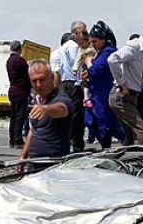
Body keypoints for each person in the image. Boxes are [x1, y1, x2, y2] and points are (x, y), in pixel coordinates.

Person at [107, 23, 143, 145]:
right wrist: (121, 83)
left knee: (130, 137)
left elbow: (137, 78)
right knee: (142, 133)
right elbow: (112, 59)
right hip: (122, 98)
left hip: (131, 97)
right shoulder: (135, 47)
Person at [19, 60, 74, 162]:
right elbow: (32, 130)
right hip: (33, 162)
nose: (38, 85)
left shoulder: (60, 98)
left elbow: (62, 109)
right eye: (34, 81)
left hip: (53, 164)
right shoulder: (36, 100)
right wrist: (22, 157)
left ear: (52, 78)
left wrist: (46, 109)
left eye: (42, 80)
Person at [83, 21, 124, 149]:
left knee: (105, 123)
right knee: (92, 121)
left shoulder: (108, 52)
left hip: (103, 95)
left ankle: (110, 146)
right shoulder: (101, 53)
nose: (92, 45)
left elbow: (96, 70)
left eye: (95, 41)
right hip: (96, 94)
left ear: (103, 39)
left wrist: (89, 62)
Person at [58, 21, 88, 152]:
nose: (86, 35)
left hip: (64, 84)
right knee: (76, 116)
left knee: (66, 115)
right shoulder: (74, 47)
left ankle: (67, 142)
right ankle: (77, 145)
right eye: (84, 32)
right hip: (73, 84)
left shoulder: (61, 49)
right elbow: (78, 65)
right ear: (75, 33)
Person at [6, 40, 31, 148]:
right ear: (19, 49)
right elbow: (28, 74)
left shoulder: (9, 61)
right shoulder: (20, 60)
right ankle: (18, 140)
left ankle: (12, 139)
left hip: (12, 90)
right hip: (21, 91)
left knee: (13, 117)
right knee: (20, 117)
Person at [73, 30, 97, 109]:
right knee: (85, 82)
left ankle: (89, 97)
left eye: (82, 43)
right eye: (79, 44)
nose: (81, 45)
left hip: (94, 65)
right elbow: (78, 60)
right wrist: (75, 69)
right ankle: (86, 98)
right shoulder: (81, 50)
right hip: (86, 67)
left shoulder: (93, 47)